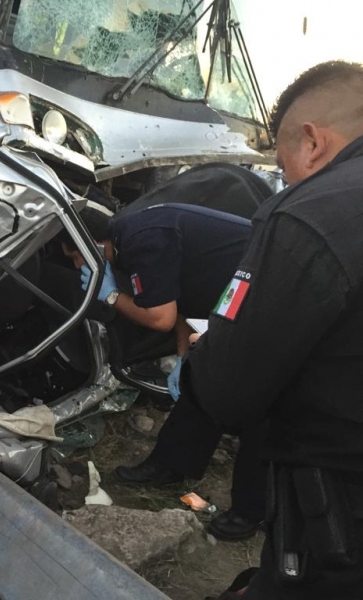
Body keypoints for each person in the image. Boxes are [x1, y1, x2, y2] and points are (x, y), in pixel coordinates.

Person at [185, 60, 363, 599]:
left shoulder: (309, 214)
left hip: (336, 518)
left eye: (283, 165)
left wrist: (204, 355)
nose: (284, 181)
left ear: (311, 142)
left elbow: (230, 392)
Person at [65, 200, 267, 541]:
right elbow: (180, 298)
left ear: (96, 246)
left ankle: (252, 510)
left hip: (267, 296)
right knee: (201, 377)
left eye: (76, 258)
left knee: (261, 404)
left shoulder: (142, 241)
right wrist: (183, 356)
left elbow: (160, 318)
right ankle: (172, 466)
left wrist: (111, 296)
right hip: (232, 296)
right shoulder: (127, 234)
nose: (76, 267)